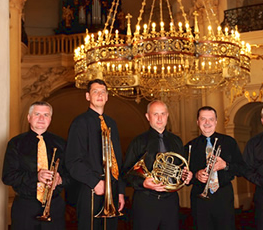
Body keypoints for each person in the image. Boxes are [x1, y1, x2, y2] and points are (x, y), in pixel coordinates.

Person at [121, 100, 192, 230]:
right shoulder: (138, 142)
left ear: (167, 115)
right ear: (148, 117)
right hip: (146, 201)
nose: (159, 118)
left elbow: (181, 169)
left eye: (163, 114)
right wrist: (143, 183)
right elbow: (126, 174)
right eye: (155, 114)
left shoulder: (176, 141)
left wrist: (185, 175)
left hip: (170, 201)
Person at [65, 79, 125, 230]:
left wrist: (120, 192)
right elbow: (73, 161)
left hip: (112, 188)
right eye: (95, 92)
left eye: (103, 92)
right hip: (90, 188)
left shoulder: (112, 123)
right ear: (87, 96)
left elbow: (117, 160)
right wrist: (95, 183)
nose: (100, 95)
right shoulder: (79, 122)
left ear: (107, 97)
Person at [2, 101, 69, 230]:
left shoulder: (61, 143)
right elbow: (8, 177)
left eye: (46, 115)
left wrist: (60, 180)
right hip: (25, 207)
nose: (41, 118)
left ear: (50, 119)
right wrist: (36, 176)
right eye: (37, 114)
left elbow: (72, 174)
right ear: (29, 118)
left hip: (54, 206)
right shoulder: (16, 143)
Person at [185, 106, 246, 230]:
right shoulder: (190, 146)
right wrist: (195, 176)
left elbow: (242, 169)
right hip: (199, 199)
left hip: (223, 196)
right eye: (203, 119)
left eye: (211, 119)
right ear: (198, 122)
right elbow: (184, 176)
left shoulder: (229, 142)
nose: (207, 123)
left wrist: (226, 166)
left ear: (216, 121)